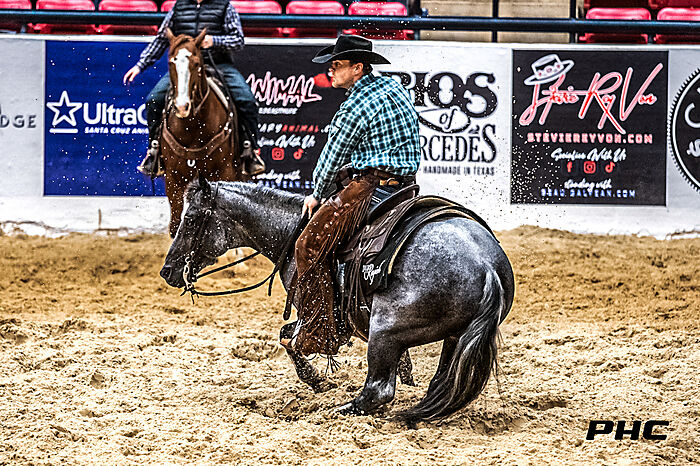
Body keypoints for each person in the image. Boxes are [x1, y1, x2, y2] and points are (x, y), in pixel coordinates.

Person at [283, 35, 421, 357]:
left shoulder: (355, 105)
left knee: (308, 245)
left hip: (371, 188)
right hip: (406, 187)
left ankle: (320, 332)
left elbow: (332, 157)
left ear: (358, 68)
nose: (331, 71)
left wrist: (317, 194)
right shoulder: (393, 87)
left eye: (337, 65)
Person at [122, 0, 264, 177]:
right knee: (154, 100)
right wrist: (140, 65)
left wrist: (214, 41)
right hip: (184, 67)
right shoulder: (179, 7)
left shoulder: (224, 6)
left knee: (246, 100)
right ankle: (154, 150)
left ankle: (250, 150)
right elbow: (161, 39)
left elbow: (238, 40)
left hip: (218, 65)